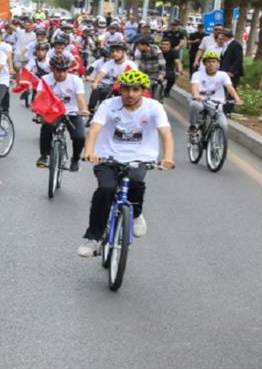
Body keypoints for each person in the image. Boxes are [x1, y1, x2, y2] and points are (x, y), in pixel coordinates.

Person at [77, 70, 175, 257]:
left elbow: (166, 134)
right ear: (120, 89)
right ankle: (94, 238)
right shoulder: (108, 105)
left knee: (136, 182)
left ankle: (136, 213)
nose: (130, 94)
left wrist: (168, 157)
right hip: (107, 156)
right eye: (126, 89)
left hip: (140, 157)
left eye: (135, 90)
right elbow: (94, 130)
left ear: (143, 91)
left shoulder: (154, 107)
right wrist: (89, 151)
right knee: (105, 189)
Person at [36, 56, 89, 171]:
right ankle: (44, 156)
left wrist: (83, 110)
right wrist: (37, 108)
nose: (62, 74)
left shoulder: (76, 80)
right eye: (58, 71)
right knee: (46, 126)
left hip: (72, 112)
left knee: (79, 136)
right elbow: (39, 96)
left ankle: (75, 159)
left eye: (65, 70)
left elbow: (80, 98)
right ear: (52, 69)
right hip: (53, 112)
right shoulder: (45, 79)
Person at [188, 51, 244, 138]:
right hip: (201, 101)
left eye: (214, 62)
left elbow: (230, 87)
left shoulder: (223, 75)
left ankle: (216, 144)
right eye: (208, 62)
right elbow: (194, 87)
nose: (211, 64)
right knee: (195, 105)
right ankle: (193, 126)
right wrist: (196, 96)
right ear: (204, 63)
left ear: (218, 64)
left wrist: (237, 98)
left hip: (216, 104)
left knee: (223, 124)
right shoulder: (197, 74)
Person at [88, 43, 137, 114]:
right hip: (111, 86)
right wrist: (95, 83)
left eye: (117, 51)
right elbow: (101, 74)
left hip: (125, 87)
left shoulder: (131, 64)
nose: (114, 54)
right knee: (97, 89)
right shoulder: (109, 63)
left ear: (123, 53)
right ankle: (91, 111)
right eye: (113, 52)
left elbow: (135, 79)